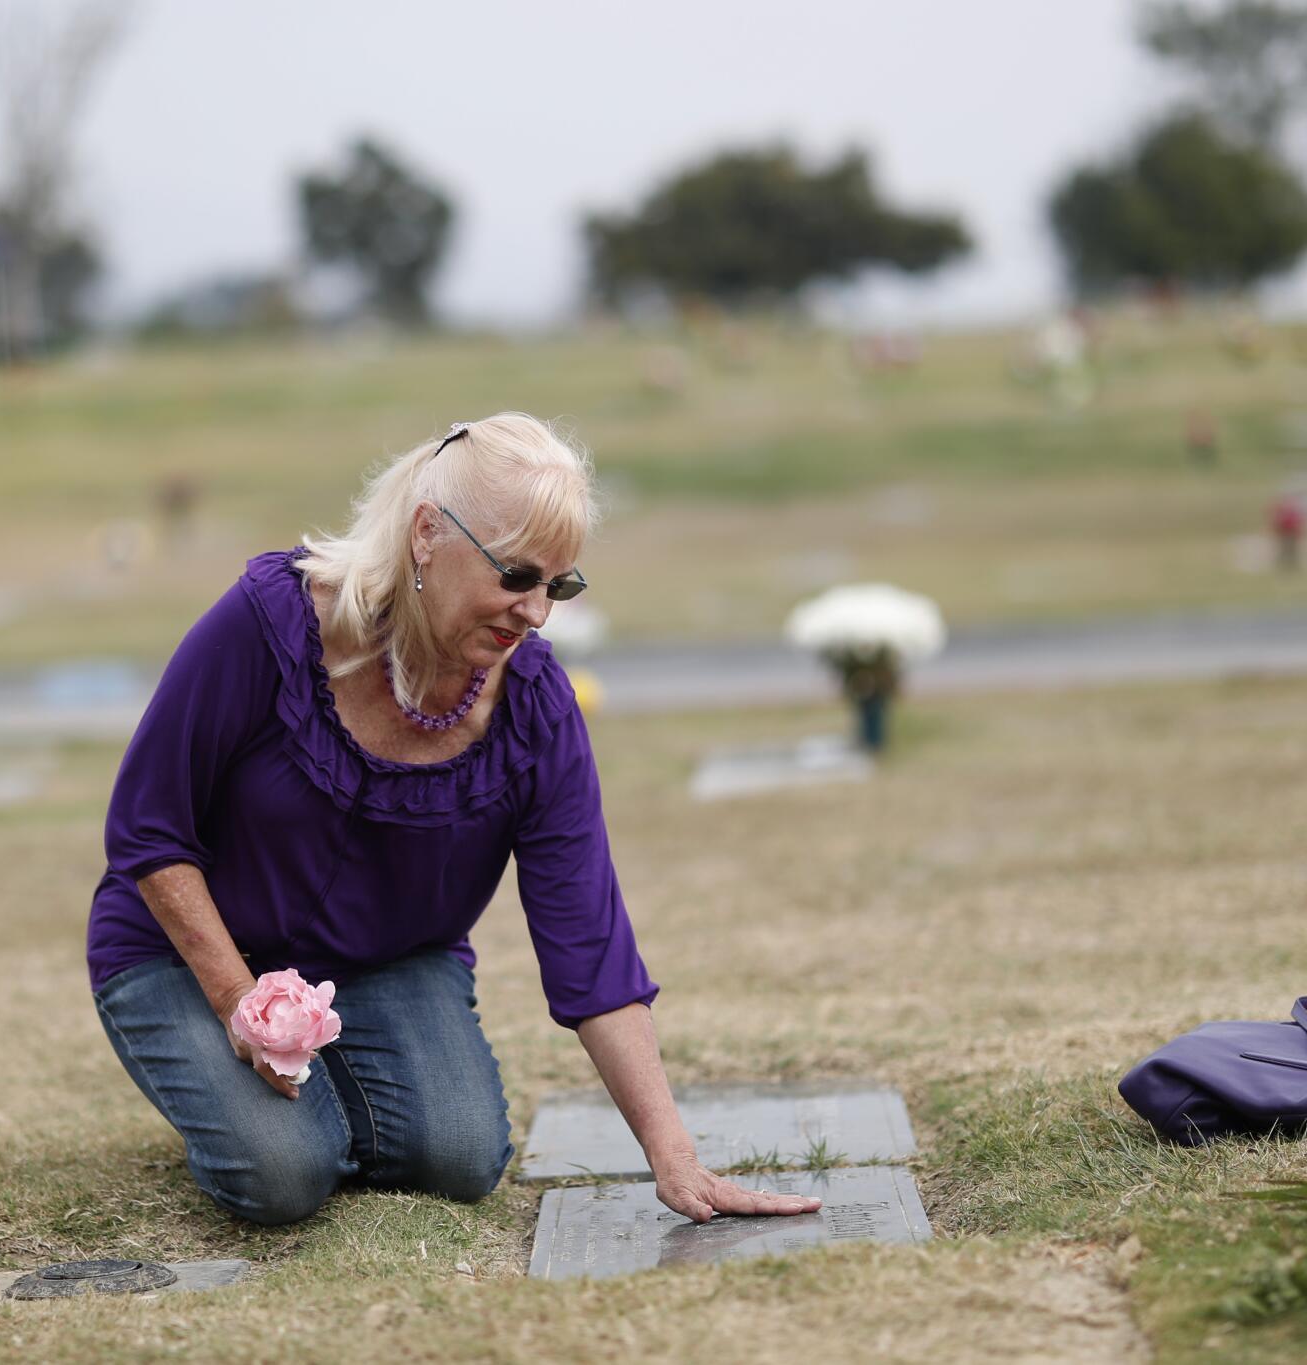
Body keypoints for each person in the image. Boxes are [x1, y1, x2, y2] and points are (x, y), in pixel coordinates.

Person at [89, 413, 820, 1229]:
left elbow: (589, 944)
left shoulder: (535, 706)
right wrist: (238, 1003)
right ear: (429, 534)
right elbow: (148, 830)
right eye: (517, 576)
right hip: (187, 955)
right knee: (284, 1176)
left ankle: (307, 1100)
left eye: (561, 585)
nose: (537, 612)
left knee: (460, 1159)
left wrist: (673, 1155)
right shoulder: (270, 623)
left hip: (388, 961)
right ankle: (262, 1118)